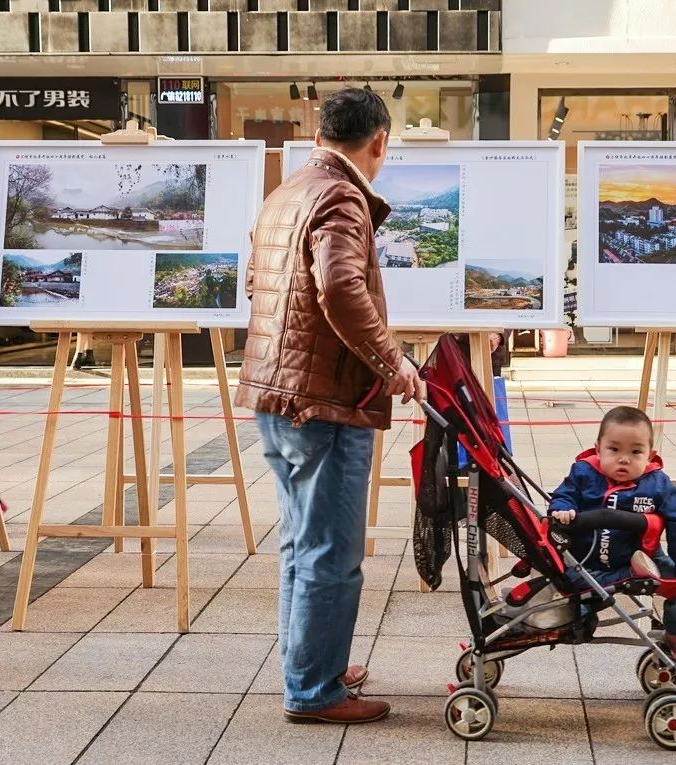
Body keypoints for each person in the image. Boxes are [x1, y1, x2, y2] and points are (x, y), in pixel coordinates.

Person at [235, 87, 423, 725]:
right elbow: (339, 285)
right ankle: (315, 691)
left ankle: (310, 665)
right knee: (330, 552)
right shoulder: (343, 196)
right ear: (378, 143)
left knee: (300, 542)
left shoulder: (288, 193)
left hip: (276, 394)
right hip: (324, 403)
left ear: (318, 138)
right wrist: (390, 361)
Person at [548, 405, 676, 668]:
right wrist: (561, 509)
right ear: (598, 449)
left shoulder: (657, 484)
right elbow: (564, 494)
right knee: (576, 600)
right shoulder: (583, 473)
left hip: (642, 556)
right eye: (614, 449)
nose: (624, 459)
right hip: (588, 562)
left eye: (635, 452)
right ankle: (579, 613)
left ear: (650, 455)